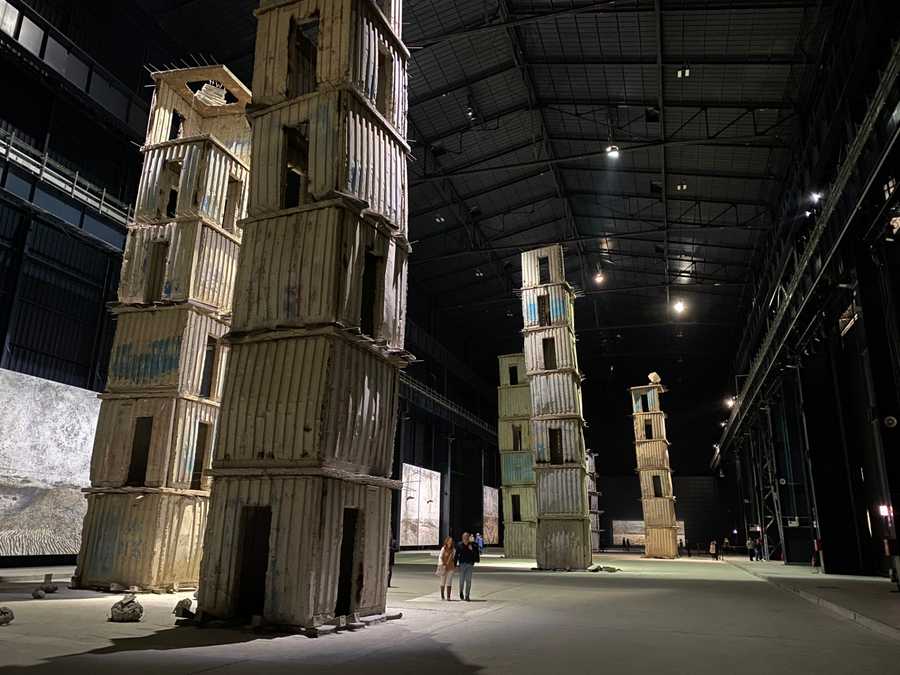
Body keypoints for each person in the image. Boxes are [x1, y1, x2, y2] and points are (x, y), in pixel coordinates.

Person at [455, 532, 480, 601]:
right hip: (462, 565)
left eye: (466, 537)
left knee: (468, 581)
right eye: (464, 537)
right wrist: (454, 565)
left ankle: (467, 595)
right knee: (461, 581)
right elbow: (456, 555)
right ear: (462, 538)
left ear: (468, 538)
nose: (465, 539)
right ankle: (461, 592)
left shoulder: (473, 545)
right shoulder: (459, 545)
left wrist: (472, 549)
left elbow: (476, 554)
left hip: (469, 565)